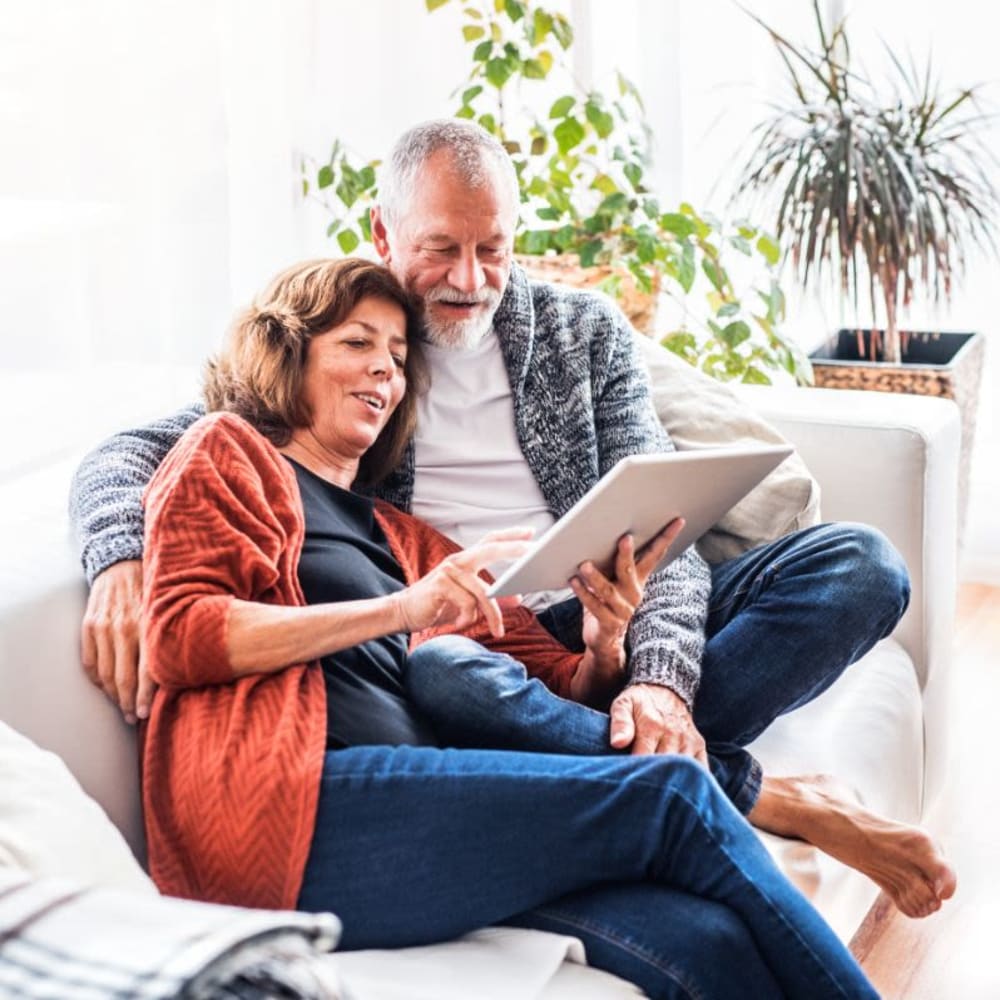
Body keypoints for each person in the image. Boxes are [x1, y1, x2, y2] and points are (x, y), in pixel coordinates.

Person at [70, 119, 955, 923]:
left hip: (601, 606)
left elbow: (669, 534)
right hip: (471, 635)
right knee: (453, 677)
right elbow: (137, 451)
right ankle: (750, 793)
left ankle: (630, 753)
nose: (470, 279)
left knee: (861, 567)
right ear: (384, 235)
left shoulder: (582, 333)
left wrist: (656, 676)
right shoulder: (345, 343)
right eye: (442, 249)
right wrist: (118, 559)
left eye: (492, 249)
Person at [139, 254, 880, 998]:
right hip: (296, 810)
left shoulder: (405, 538)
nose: (383, 373)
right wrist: (401, 610)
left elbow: (559, 687)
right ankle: (748, 793)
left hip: (433, 808)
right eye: (357, 344)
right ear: (287, 348)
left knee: (705, 943)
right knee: (673, 797)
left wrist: (602, 645)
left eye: (397, 357)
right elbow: (180, 636)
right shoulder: (227, 454)